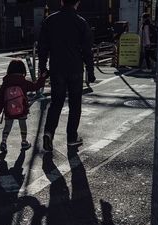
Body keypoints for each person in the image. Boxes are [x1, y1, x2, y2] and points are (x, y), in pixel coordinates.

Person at [38, 0, 95, 152]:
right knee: (75, 105)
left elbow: (42, 47)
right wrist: (91, 71)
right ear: (78, 3)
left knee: (56, 103)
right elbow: (87, 50)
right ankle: (71, 138)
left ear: (62, 2)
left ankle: (49, 133)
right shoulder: (81, 22)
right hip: (76, 69)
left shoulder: (50, 20)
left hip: (57, 68)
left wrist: (42, 68)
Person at [0, 60, 48, 152]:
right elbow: (36, 86)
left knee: (8, 125)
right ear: (22, 70)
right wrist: (42, 78)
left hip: (8, 109)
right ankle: (24, 142)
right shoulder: (23, 82)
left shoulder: (6, 82)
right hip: (22, 108)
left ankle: (3, 142)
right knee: (22, 124)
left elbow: (0, 96)